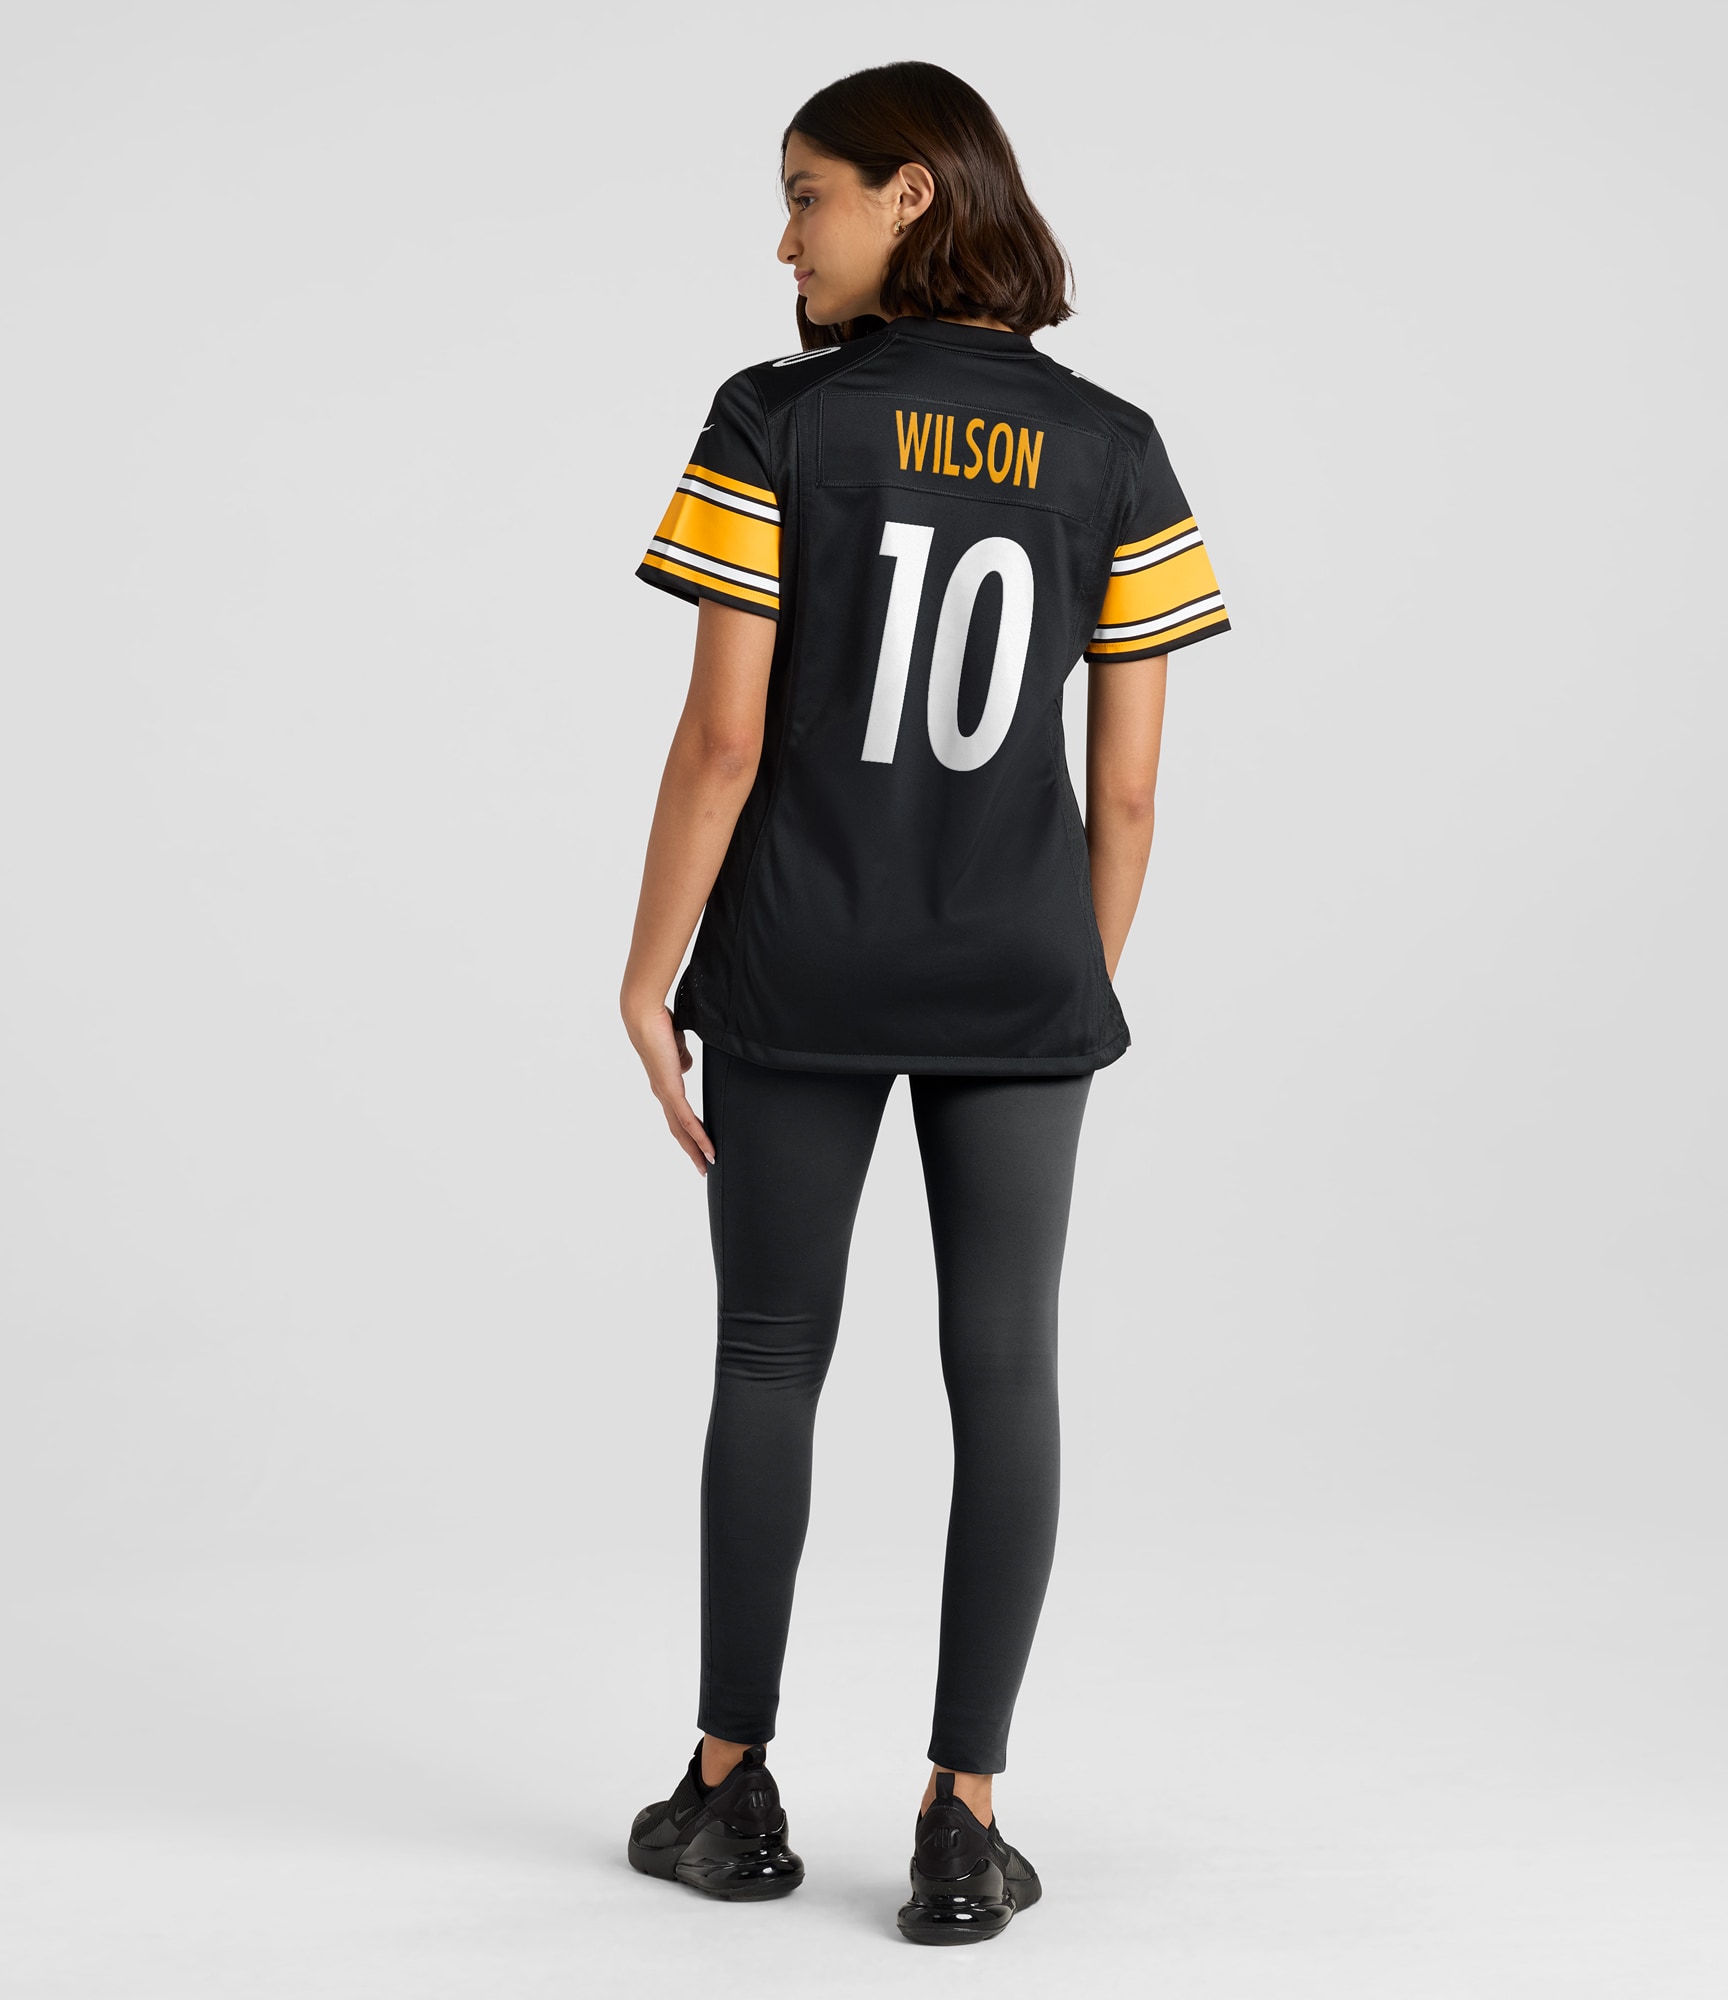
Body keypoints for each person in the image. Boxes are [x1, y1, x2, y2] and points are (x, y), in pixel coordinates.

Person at [618, 61, 1228, 1945]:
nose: (783, 238)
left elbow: (724, 743)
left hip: (795, 966)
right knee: (1009, 1373)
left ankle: (728, 1791)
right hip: (1017, 978)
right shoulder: (1116, 447)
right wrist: (1054, 981)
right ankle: (965, 1820)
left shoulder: (774, 420)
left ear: (909, 193)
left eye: (805, 193)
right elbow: (1129, 793)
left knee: (767, 1358)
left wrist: (647, 973)